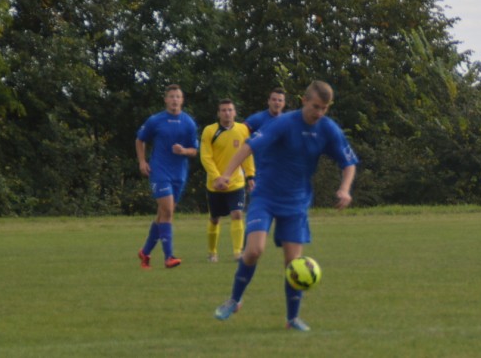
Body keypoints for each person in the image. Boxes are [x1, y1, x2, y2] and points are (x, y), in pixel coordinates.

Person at [213, 80, 358, 331]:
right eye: (315, 106)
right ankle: (234, 300)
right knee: (254, 250)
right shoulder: (283, 123)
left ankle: (292, 319)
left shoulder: (328, 129)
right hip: (265, 197)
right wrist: (226, 174)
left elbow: (349, 163)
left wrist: (345, 189)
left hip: (296, 203)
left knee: (294, 264)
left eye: (324, 108)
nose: (319, 112)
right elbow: (248, 147)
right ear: (304, 101)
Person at [136, 84, 198, 269]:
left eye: (178, 96)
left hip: (179, 174)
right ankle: (169, 257)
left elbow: (194, 151)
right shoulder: (155, 120)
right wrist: (142, 161)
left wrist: (183, 150)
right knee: (168, 212)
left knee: (163, 214)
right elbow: (140, 139)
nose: (174, 100)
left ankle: (145, 252)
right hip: (160, 171)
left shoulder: (188, 122)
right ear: (165, 99)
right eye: (171, 96)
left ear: (182, 100)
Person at [200, 99, 256, 263]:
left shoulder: (242, 130)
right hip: (215, 185)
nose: (227, 113)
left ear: (235, 113)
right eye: (223, 110)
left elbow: (247, 154)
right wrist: (217, 177)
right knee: (215, 218)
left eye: (230, 110)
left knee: (237, 214)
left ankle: (238, 253)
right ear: (219, 114)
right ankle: (212, 252)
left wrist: (250, 175)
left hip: (236, 183)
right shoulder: (209, 131)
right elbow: (205, 157)